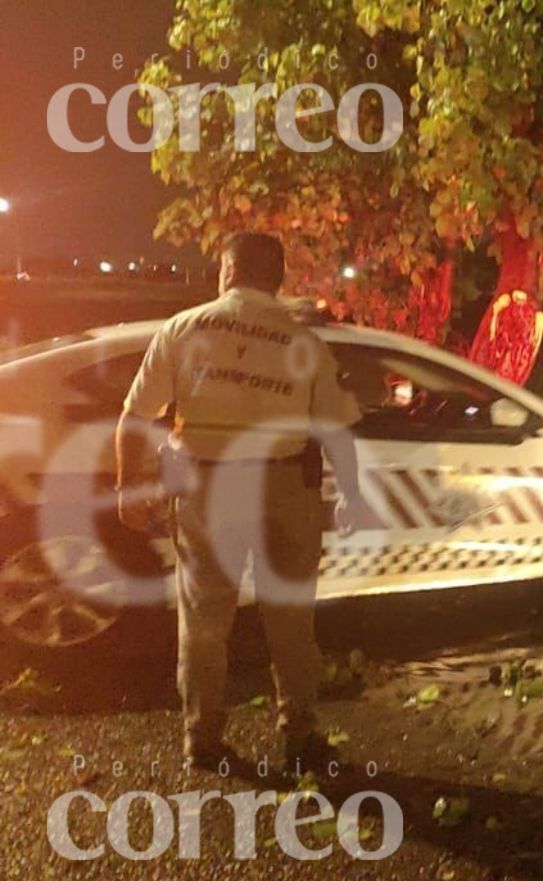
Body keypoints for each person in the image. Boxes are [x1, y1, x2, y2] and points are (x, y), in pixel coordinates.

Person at [114, 232, 365, 773]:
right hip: (284, 491)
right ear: (276, 278)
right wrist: (352, 496)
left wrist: (125, 486)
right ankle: (299, 735)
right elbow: (339, 432)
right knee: (292, 620)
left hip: (206, 489)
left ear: (226, 271)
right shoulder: (304, 343)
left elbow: (134, 417)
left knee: (204, 618)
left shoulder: (182, 328)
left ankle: (202, 738)